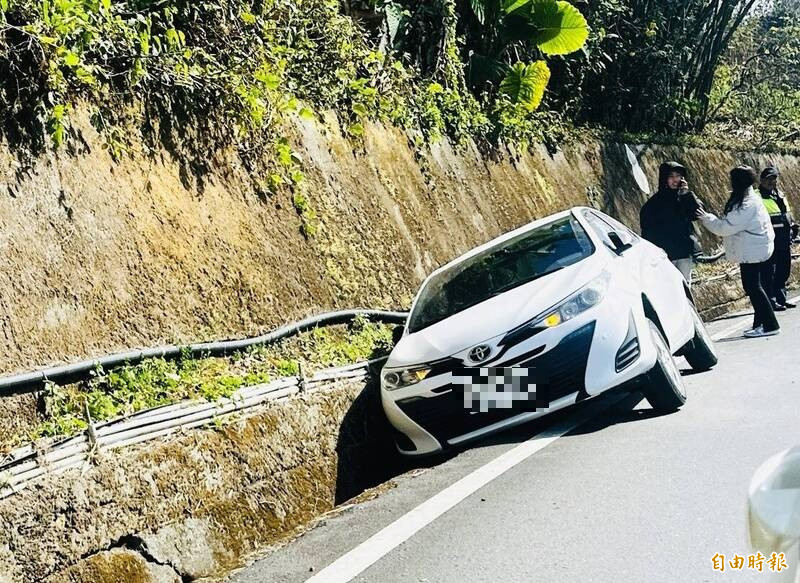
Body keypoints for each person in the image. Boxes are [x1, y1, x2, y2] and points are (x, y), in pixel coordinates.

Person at [696, 166, 779, 338]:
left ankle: (771, 324)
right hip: (754, 247)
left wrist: (705, 218)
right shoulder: (748, 197)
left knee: (753, 287)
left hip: (752, 250)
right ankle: (760, 324)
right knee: (756, 287)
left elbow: (725, 227)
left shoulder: (747, 204)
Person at [640, 161, 704, 282]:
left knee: (685, 288)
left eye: (678, 176)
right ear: (664, 178)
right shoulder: (653, 204)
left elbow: (698, 213)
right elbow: (647, 231)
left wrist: (686, 195)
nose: (675, 180)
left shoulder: (685, 197)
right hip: (665, 255)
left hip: (685, 252)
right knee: (668, 288)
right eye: (671, 176)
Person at [758, 166, 796, 310]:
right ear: (762, 180)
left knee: (783, 270)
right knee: (768, 272)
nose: (772, 181)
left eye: (774, 178)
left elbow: (786, 213)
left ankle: (781, 298)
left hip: (784, 239)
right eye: (768, 179)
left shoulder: (779, 194)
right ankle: (771, 301)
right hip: (768, 239)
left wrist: (792, 225)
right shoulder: (757, 196)